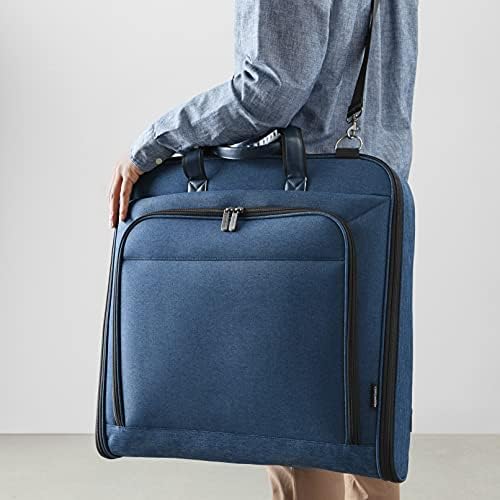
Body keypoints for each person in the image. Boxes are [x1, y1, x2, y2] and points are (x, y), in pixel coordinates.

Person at [108, 0, 418, 498]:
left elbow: (269, 91)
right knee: (365, 416)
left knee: (297, 420)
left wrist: (153, 142)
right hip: (372, 184)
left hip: (301, 204)